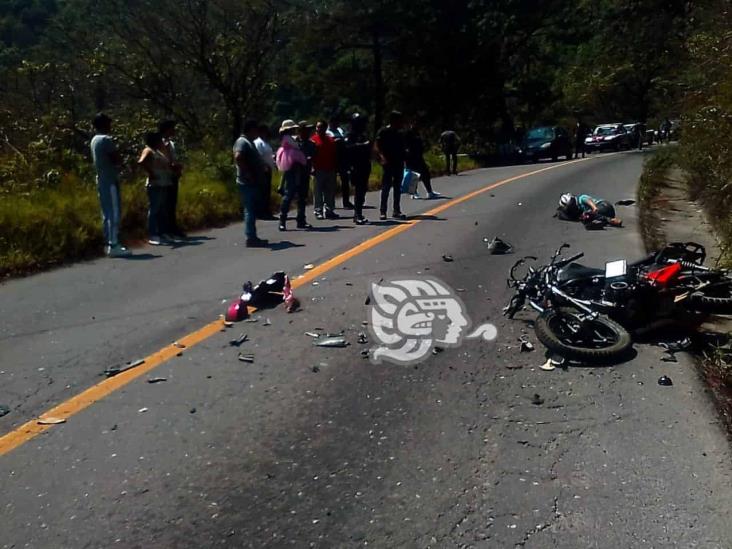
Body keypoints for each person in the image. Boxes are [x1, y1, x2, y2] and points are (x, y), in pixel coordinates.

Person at [90, 113, 130, 257]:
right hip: (110, 180)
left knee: (106, 212)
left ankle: (109, 242)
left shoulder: (94, 139)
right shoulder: (106, 139)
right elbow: (116, 158)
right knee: (114, 213)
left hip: (101, 179)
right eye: (108, 123)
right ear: (103, 125)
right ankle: (113, 244)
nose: (110, 126)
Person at [232, 120, 268, 247]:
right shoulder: (242, 142)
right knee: (250, 210)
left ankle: (252, 236)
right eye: (255, 130)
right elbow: (238, 157)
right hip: (247, 182)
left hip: (252, 181)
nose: (257, 133)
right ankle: (251, 237)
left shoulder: (249, 142)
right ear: (250, 129)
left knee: (252, 209)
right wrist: (247, 173)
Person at [138, 131, 175, 245]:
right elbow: (141, 162)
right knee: (154, 209)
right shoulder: (148, 150)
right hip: (155, 184)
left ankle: (162, 233)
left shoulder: (158, 152)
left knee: (162, 209)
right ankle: (153, 234)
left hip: (163, 183)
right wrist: (151, 173)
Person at [277, 119, 312, 231]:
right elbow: (297, 147)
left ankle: (300, 219)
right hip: (292, 164)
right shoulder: (288, 138)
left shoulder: (290, 138)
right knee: (289, 194)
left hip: (297, 167)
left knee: (301, 195)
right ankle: (283, 219)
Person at [375, 111, 407, 220]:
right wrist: (381, 157)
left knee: (398, 187)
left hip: (399, 162)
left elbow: (403, 148)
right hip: (388, 163)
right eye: (399, 120)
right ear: (393, 120)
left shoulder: (400, 133)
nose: (401, 123)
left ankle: (396, 210)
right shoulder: (384, 131)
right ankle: (383, 211)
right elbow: (377, 145)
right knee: (386, 187)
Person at [158, 120, 185, 238]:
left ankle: (172, 227)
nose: (174, 130)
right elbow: (166, 160)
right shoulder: (163, 143)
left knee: (172, 203)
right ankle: (168, 229)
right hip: (167, 177)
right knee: (167, 204)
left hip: (172, 176)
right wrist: (175, 167)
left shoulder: (170, 143)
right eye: (172, 128)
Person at [345, 112, 372, 224]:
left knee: (363, 190)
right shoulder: (350, 136)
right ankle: (357, 214)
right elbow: (348, 149)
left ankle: (359, 212)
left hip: (365, 165)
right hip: (355, 167)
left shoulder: (363, 135)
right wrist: (362, 146)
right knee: (359, 190)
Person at [311, 120, 339, 220]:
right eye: (317, 127)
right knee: (318, 192)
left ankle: (329, 210)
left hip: (330, 169)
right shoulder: (313, 140)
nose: (318, 129)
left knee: (330, 191)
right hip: (318, 169)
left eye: (321, 127)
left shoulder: (330, 140)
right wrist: (312, 167)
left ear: (325, 128)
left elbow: (334, 154)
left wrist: (336, 168)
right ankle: (318, 210)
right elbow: (311, 155)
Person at [405, 120, 439, 199]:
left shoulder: (417, 133)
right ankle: (413, 193)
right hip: (410, 157)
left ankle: (430, 192)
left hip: (419, 156)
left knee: (425, 174)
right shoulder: (408, 133)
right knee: (414, 175)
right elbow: (405, 145)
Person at [327, 115, 353, 209]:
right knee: (332, 182)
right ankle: (330, 202)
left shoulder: (340, 130)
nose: (335, 124)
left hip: (342, 158)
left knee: (345, 181)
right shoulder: (327, 132)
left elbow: (345, 138)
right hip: (332, 158)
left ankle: (346, 201)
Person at [557, 192, 622, 227]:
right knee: (587, 222)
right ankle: (607, 221)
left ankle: (609, 220)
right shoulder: (576, 208)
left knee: (586, 215)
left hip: (604, 206)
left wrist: (594, 207)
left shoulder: (581, 198)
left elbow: (587, 200)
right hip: (606, 213)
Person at [254, 124, 277, 219]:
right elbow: (258, 156)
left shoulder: (265, 142)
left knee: (267, 192)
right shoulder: (258, 143)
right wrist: (263, 166)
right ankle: (262, 212)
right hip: (263, 170)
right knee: (262, 192)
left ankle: (266, 211)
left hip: (268, 170)